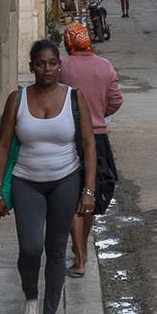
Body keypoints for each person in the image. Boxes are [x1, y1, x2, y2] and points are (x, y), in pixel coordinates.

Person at [0, 40, 100, 314]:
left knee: (54, 249)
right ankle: (30, 300)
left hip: (65, 180)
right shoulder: (17, 99)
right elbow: (2, 146)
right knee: (30, 248)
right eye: (40, 63)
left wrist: (88, 191)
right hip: (27, 182)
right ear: (31, 67)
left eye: (52, 63)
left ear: (59, 65)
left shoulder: (75, 99)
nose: (47, 69)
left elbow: (90, 145)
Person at [56, 22, 123, 277]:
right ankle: (81, 251)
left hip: (70, 138)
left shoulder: (64, 67)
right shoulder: (105, 66)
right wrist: (98, 114)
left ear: (70, 42)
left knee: (73, 198)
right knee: (89, 195)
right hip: (98, 139)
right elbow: (116, 100)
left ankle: (80, 258)